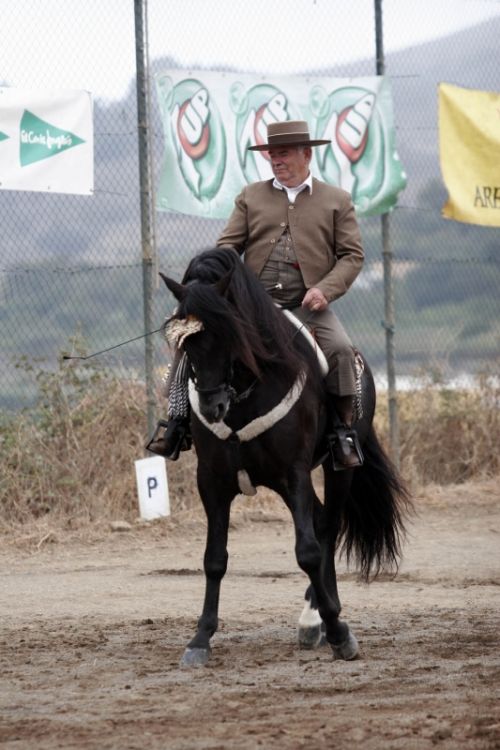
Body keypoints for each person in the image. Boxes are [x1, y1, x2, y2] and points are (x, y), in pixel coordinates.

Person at [147, 120, 364, 469]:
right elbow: (228, 247)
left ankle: (342, 432)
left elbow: (352, 256)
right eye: (272, 155)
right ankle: (176, 423)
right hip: (254, 308)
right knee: (194, 341)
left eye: (284, 154)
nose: (276, 161)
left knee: (339, 350)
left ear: (306, 154)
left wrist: (325, 290)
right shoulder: (251, 196)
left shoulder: (336, 201)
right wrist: (208, 285)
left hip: (309, 306)